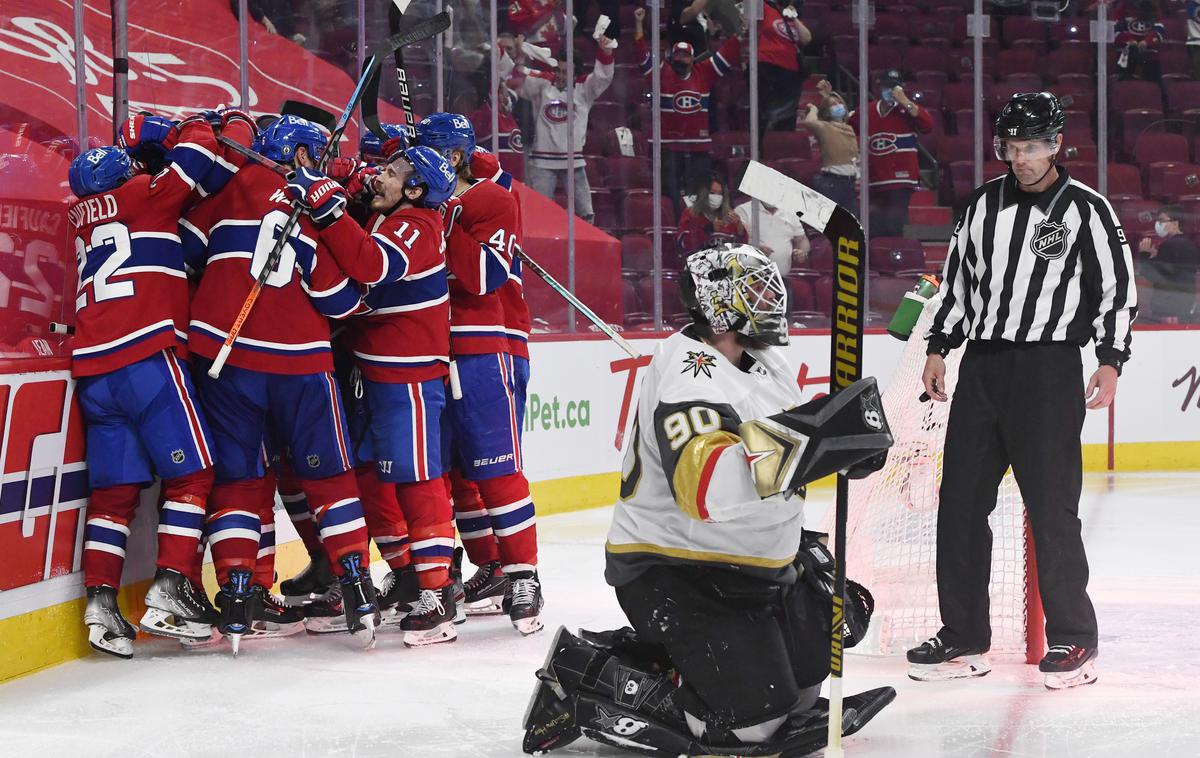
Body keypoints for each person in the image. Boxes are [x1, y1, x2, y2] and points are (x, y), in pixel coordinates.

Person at [521, 243, 895, 756]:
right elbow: (706, 487)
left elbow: (783, 446)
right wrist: (817, 442)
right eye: (757, 292)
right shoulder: (687, 375)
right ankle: (588, 674)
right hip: (678, 570)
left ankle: (682, 661)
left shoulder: (761, 359)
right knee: (752, 729)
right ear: (723, 304)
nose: (773, 300)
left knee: (808, 686)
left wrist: (842, 448)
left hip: (748, 566)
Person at [912, 92, 1137, 690]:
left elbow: (1117, 292)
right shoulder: (980, 205)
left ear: (1057, 144)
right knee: (960, 503)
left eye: (1033, 147)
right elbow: (958, 287)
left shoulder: (1088, 209)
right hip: (982, 368)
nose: (1022, 158)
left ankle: (1073, 637)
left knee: (1052, 508)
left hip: (1048, 368)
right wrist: (939, 347)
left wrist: (1111, 360)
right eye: (1013, 148)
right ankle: (963, 635)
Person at [181, 115, 378, 652]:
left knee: (240, 482)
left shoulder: (226, 187)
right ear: (300, 155)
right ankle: (357, 585)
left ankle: (239, 594)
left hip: (226, 357)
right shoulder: (315, 203)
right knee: (331, 479)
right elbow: (340, 301)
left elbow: (187, 251)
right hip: (302, 365)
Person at [68, 114, 231, 659]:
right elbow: (202, 152)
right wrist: (177, 130)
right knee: (193, 474)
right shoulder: (143, 194)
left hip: (93, 367)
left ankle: (100, 602)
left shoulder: (79, 219)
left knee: (113, 496)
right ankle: (171, 588)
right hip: (146, 354)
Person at [304, 144, 464, 647]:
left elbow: (369, 265)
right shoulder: (392, 220)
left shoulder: (417, 224)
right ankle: (408, 574)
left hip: (410, 376)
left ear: (414, 190)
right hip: (376, 373)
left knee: (421, 481)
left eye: (391, 174)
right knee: (374, 478)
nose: (378, 177)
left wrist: (329, 210)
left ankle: (438, 596)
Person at [415, 113, 544, 635]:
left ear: (449, 159)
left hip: (487, 347)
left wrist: (443, 216)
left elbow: (486, 276)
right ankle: (488, 566)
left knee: (494, 467)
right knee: (452, 474)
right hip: (431, 350)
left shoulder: (490, 199)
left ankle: (523, 574)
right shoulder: (426, 205)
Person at [634, 7, 740, 216]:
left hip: (698, 147)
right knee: (670, 193)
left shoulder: (704, 72)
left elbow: (727, 53)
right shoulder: (662, 73)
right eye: (678, 56)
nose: (681, 60)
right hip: (669, 146)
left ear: (692, 59)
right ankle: (675, 225)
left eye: (685, 56)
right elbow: (642, 55)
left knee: (700, 192)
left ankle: (698, 224)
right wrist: (638, 24)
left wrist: (740, 33)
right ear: (672, 57)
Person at [514, 35, 616, 224]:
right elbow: (517, 81)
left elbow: (603, 77)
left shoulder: (584, 89)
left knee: (586, 215)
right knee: (537, 215)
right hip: (542, 163)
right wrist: (520, 55)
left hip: (573, 163)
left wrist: (606, 52)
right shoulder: (544, 84)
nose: (560, 75)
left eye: (566, 72)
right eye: (559, 70)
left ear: (575, 74)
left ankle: (584, 252)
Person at [848, 69, 933, 238]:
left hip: (901, 179)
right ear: (879, 87)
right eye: (887, 86)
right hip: (875, 180)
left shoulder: (908, 110)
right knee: (872, 227)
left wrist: (905, 101)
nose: (890, 90)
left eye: (894, 87)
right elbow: (847, 126)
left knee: (893, 226)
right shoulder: (867, 110)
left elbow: (928, 125)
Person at [800, 79, 858, 215]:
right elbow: (809, 121)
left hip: (849, 184)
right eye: (833, 105)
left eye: (839, 104)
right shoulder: (825, 127)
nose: (837, 106)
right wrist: (814, 109)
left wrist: (828, 95)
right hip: (832, 183)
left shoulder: (849, 126)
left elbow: (846, 115)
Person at [757, 0, 811, 136]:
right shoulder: (766, 8)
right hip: (767, 67)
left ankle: (782, 147)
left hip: (790, 72)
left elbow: (806, 38)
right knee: (765, 113)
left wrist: (794, 17)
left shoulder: (793, 18)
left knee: (787, 116)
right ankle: (762, 150)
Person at [1137, 204, 1199, 322]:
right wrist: (1155, 258)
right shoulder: (1188, 244)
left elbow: (1154, 276)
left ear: (1175, 223)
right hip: (1183, 304)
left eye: (1162, 220)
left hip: (1168, 307)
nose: (1158, 224)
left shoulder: (1170, 245)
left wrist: (1144, 255)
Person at [733, 197, 810, 274]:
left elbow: (801, 239)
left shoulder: (790, 212)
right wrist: (753, 248)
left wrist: (802, 252)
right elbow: (735, 242)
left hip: (781, 279)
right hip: (749, 278)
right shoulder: (743, 210)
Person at [676, 173, 748, 257]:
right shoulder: (690, 214)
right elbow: (685, 244)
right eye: (712, 193)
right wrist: (709, 229)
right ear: (704, 194)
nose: (716, 197)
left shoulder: (729, 216)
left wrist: (740, 229)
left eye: (720, 193)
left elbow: (742, 248)